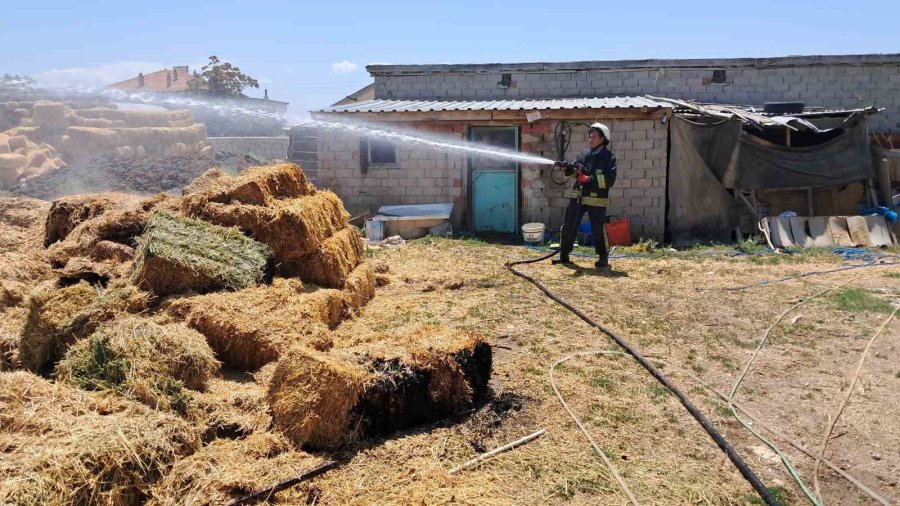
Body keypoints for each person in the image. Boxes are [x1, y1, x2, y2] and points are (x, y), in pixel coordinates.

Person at [553, 122, 617, 270]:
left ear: (603, 139)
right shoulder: (583, 154)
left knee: (598, 229)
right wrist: (568, 168)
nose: (590, 139)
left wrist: (590, 179)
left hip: (597, 200)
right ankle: (564, 255)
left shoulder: (609, 158)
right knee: (569, 225)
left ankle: (603, 258)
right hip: (578, 197)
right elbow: (576, 172)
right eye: (589, 137)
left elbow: (610, 180)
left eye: (594, 137)